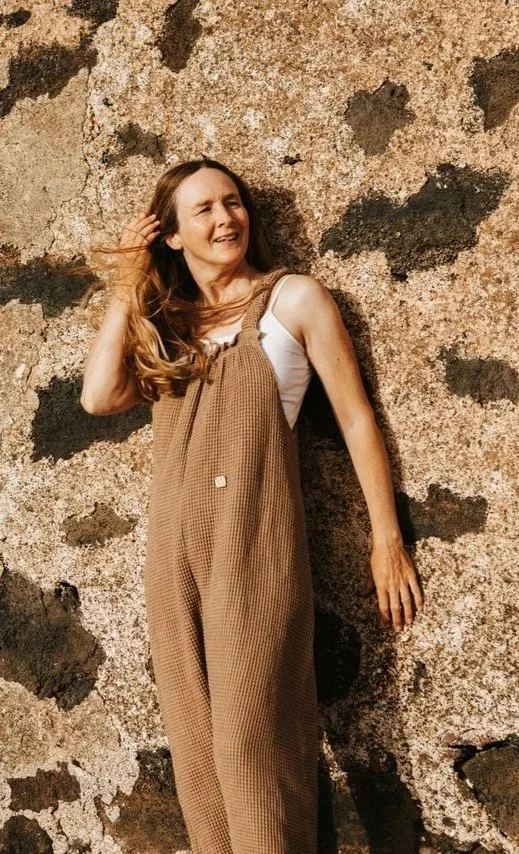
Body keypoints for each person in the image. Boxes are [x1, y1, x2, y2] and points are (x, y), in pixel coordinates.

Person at [80, 158, 424, 853]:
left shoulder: (292, 299)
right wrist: (125, 286)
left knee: (252, 744)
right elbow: (96, 398)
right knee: (199, 750)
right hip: (173, 555)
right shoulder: (169, 324)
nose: (224, 218)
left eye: (232, 202)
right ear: (170, 235)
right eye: (202, 209)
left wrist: (386, 539)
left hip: (253, 548)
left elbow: (357, 419)